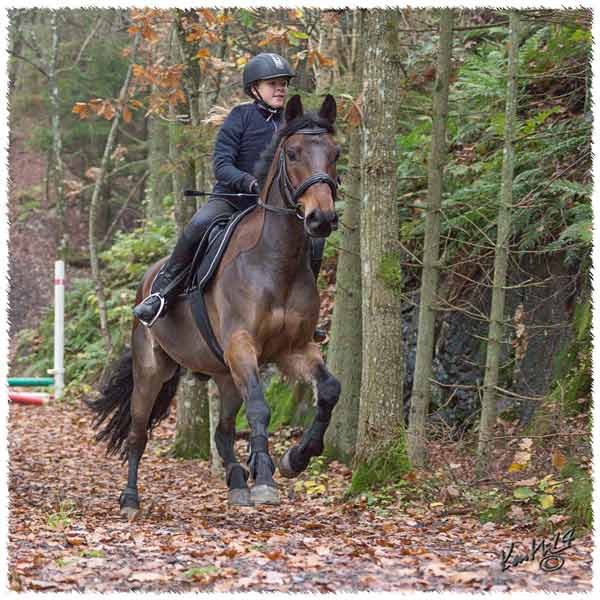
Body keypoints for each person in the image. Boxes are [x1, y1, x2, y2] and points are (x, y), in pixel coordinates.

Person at [133, 52, 327, 340]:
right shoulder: (241, 117)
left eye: (283, 83)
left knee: (316, 240)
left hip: (276, 209)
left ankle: (304, 313)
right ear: (254, 89)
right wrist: (248, 182)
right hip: (234, 200)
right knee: (199, 224)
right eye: (272, 83)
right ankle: (161, 293)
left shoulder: (292, 124)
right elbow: (222, 165)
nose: (280, 88)